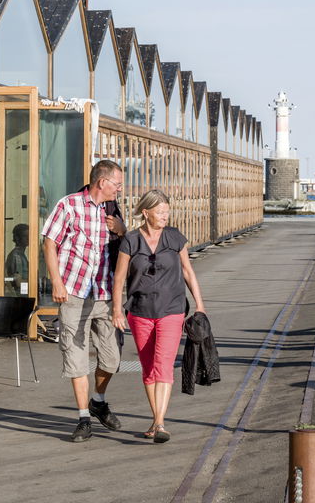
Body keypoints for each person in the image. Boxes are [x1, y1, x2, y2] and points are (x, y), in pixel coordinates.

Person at [42, 159, 126, 442]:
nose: (120, 188)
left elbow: (124, 246)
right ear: (102, 182)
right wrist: (56, 281)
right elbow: (49, 242)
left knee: (112, 357)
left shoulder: (111, 210)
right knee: (76, 358)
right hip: (74, 293)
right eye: (117, 183)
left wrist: (121, 230)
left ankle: (98, 400)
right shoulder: (69, 205)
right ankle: (83, 418)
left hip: (103, 294)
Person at [112, 189, 206, 442]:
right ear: (146, 212)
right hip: (140, 311)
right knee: (148, 369)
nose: (165, 215)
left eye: (167, 211)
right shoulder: (130, 240)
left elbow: (187, 271)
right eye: (160, 211)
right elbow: (120, 277)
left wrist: (200, 304)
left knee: (164, 367)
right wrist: (116, 309)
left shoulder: (175, 238)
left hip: (172, 310)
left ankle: (160, 422)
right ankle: (156, 421)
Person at [4, 223, 29, 296]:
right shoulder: (16, 256)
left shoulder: (21, 254)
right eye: (25, 236)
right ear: (18, 238)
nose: (28, 238)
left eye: (29, 236)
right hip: (20, 296)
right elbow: (18, 282)